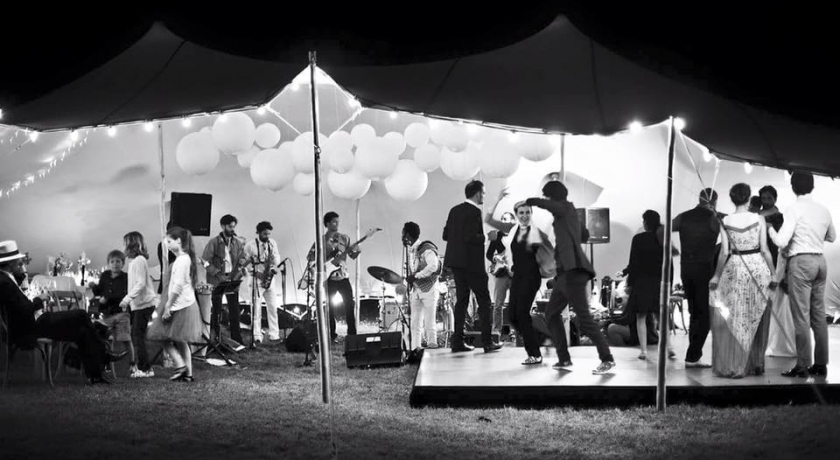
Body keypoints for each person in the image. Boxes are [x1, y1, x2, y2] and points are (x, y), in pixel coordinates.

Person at [0, 240, 127, 384]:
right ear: (10, 263)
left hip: (29, 324)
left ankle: (95, 375)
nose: (19, 263)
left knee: (82, 331)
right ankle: (103, 354)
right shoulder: (4, 282)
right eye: (17, 262)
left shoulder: (7, 279)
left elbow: (18, 304)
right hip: (27, 329)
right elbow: (23, 309)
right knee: (81, 315)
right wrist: (39, 299)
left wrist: (22, 274)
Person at [526, 181, 615, 374]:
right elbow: (585, 234)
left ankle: (607, 358)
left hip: (573, 272)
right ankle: (564, 358)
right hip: (565, 274)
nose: (547, 201)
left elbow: (555, 207)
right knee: (551, 314)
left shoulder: (564, 208)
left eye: (548, 197)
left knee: (584, 320)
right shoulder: (570, 213)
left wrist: (534, 201)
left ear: (552, 197)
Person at [769, 172, 835, 378]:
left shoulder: (794, 209)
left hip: (801, 262)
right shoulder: (823, 209)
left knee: (801, 317)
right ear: (812, 186)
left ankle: (803, 366)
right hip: (820, 261)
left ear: (793, 187)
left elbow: (781, 241)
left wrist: (770, 229)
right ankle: (821, 365)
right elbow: (832, 237)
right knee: (819, 316)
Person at [709, 183, 774, 378]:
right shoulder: (759, 219)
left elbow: (724, 252)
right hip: (758, 267)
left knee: (738, 317)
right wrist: (774, 273)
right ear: (748, 198)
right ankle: (756, 363)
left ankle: (737, 364)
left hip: (736, 268)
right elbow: (765, 249)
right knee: (756, 314)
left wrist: (716, 276)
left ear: (732, 199)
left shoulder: (726, 220)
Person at [442, 180, 501, 353]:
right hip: (472, 264)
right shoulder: (475, 211)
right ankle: (487, 342)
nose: (484, 196)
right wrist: (488, 237)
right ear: (477, 193)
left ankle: (457, 342)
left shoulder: (454, 210)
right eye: (483, 193)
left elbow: (445, 235)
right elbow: (470, 237)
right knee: (484, 301)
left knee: (461, 301)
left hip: (456, 264)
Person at [672, 188, 721, 368]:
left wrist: (672, 249)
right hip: (705, 270)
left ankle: (693, 356)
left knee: (694, 312)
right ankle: (693, 356)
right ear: (714, 201)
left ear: (699, 199)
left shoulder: (683, 217)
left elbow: (663, 231)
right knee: (705, 314)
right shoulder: (715, 218)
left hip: (686, 269)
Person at [148, 226, 203, 382]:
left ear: (178, 241)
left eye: (169, 241)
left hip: (179, 305)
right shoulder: (187, 258)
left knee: (159, 335)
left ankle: (180, 365)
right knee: (180, 340)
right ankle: (188, 374)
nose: (167, 245)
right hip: (186, 303)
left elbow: (177, 286)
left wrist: (168, 307)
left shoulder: (181, 260)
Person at [503, 201, 553, 365]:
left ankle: (535, 354)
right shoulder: (515, 230)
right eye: (521, 213)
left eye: (527, 212)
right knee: (512, 315)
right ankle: (542, 337)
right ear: (517, 215)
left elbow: (548, 252)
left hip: (531, 278)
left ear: (531, 214)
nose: (524, 216)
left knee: (522, 314)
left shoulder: (535, 232)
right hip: (517, 276)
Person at [624, 210, 675, 360]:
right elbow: (670, 264)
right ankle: (669, 348)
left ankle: (644, 351)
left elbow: (634, 263)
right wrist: (670, 284)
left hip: (642, 283)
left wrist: (629, 283)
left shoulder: (638, 239)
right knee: (661, 318)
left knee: (641, 317)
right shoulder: (663, 238)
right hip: (659, 283)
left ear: (645, 222)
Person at [307, 212, 363, 341]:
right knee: (329, 308)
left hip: (343, 277)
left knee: (349, 305)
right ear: (327, 224)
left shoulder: (344, 238)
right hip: (329, 278)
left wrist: (357, 251)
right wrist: (325, 264)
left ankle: (352, 335)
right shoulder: (321, 240)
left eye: (338, 221)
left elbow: (352, 256)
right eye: (334, 222)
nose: (337, 224)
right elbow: (311, 257)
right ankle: (331, 334)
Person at [202, 214, 247, 348]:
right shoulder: (213, 243)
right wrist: (217, 273)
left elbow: (243, 257)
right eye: (230, 227)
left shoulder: (237, 243)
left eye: (233, 226)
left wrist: (242, 263)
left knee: (234, 310)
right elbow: (205, 261)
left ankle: (237, 339)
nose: (232, 229)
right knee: (216, 310)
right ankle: (216, 339)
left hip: (232, 278)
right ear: (223, 226)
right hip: (217, 280)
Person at [88, 250, 135, 375]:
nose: (115, 264)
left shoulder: (125, 277)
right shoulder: (105, 276)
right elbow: (99, 291)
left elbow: (124, 294)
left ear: (123, 263)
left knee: (125, 338)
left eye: (118, 261)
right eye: (112, 262)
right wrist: (93, 286)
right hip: (106, 313)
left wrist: (108, 298)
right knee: (101, 336)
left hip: (121, 313)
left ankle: (132, 364)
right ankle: (105, 363)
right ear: (108, 264)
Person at [120, 231, 158, 378]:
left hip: (145, 304)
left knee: (138, 335)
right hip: (139, 304)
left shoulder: (140, 260)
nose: (123, 246)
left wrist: (127, 299)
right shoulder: (134, 262)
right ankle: (142, 366)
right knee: (137, 335)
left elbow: (141, 283)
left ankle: (145, 368)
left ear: (132, 245)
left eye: (125, 243)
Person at [402, 222, 442, 350]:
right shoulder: (411, 251)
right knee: (415, 324)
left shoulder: (426, 248)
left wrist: (417, 276)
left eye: (403, 233)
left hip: (429, 289)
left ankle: (432, 346)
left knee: (429, 323)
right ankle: (416, 349)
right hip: (416, 290)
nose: (402, 236)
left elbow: (433, 266)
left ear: (407, 235)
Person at [244, 221, 282, 344]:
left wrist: (275, 266)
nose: (267, 237)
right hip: (256, 279)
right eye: (265, 234)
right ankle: (257, 335)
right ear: (259, 232)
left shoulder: (272, 243)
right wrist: (254, 272)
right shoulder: (250, 246)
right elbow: (244, 263)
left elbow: (276, 257)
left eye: (269, 234)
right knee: (256, 309)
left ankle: (274, 334)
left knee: (273, 307)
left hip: (269, 279)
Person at [485, 211, 516, 336]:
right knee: (498, 304)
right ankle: (496, 331)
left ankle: (515, 330)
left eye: (507, 219)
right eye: (503, 219)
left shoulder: (517, 235)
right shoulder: (496, 235)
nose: (504, 222)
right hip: (501, 273)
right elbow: (489, 254)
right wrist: (495, 258)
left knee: (516, 303)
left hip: (515, 273)